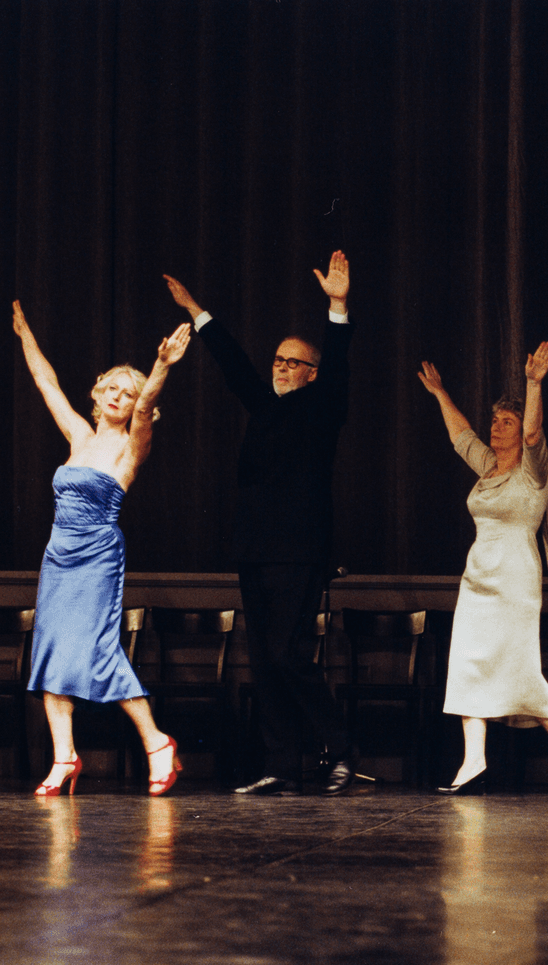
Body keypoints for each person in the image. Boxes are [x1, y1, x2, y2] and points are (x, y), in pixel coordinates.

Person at [164, 252, 356, 796]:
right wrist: (197, 310)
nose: (279, 366)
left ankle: (338, 748)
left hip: (299, 551)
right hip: (254, 548)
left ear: (312, 373)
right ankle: (282, 763)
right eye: (278, 359)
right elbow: (234, 365)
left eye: (291, 362)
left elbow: (338, 363)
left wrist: (337, 306)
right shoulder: (264, 408)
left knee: (286, 652)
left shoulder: (324, 404)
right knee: (264, 661)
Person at [12, 301, 193, 797]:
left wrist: (160, 367)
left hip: (96, 556)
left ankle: (157, 743)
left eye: (127, 393)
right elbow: (47, 384)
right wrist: (26, 335)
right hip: (58, 557)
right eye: (111, 387)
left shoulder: (132, 445)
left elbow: (151, 392)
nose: (118, 396)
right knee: (50, 653)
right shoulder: (78, 434)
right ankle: (64, 756)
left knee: (98, 649)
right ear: (96, 393)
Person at [416, 343, 548, 795]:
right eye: (496, 420)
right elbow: (460, 435)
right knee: (468, 662)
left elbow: (533, 434)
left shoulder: (534, 471)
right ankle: (473, 760)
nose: (497, 426)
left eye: (505, 421)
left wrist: (533, 384)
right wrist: (440, 393)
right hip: (477, 578)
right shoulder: (486, 465)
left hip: (515, 578)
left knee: (516, 665)